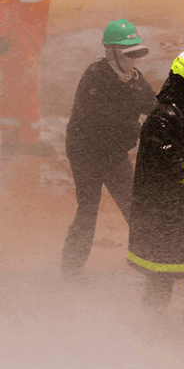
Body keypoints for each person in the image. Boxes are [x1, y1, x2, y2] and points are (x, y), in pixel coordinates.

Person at [60, 20, 156, 277]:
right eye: (127, 53)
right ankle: (71, 268)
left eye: (135, 53)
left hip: (114, 153)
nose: (132, 59)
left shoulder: (135, 80)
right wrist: (141, 131)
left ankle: (148, 261)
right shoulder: (95, 76)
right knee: (88, 208)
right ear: (111, 51)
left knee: (135, 205)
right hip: (86, 153)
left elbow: (155, 108)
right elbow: (105, 120)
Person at [127, 49, 184, 313]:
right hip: (165, 216)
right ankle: (154, 331)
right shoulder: (165, 117)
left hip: (180, 212)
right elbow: (169, 165)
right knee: (162, 278)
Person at [0, 0, 51, 153]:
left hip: (30, 38)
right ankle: (30, 140)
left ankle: (10, 135)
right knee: (25, 86)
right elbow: (3, 3)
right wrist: (3, 36)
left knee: (15, 86)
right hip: (17, 41)